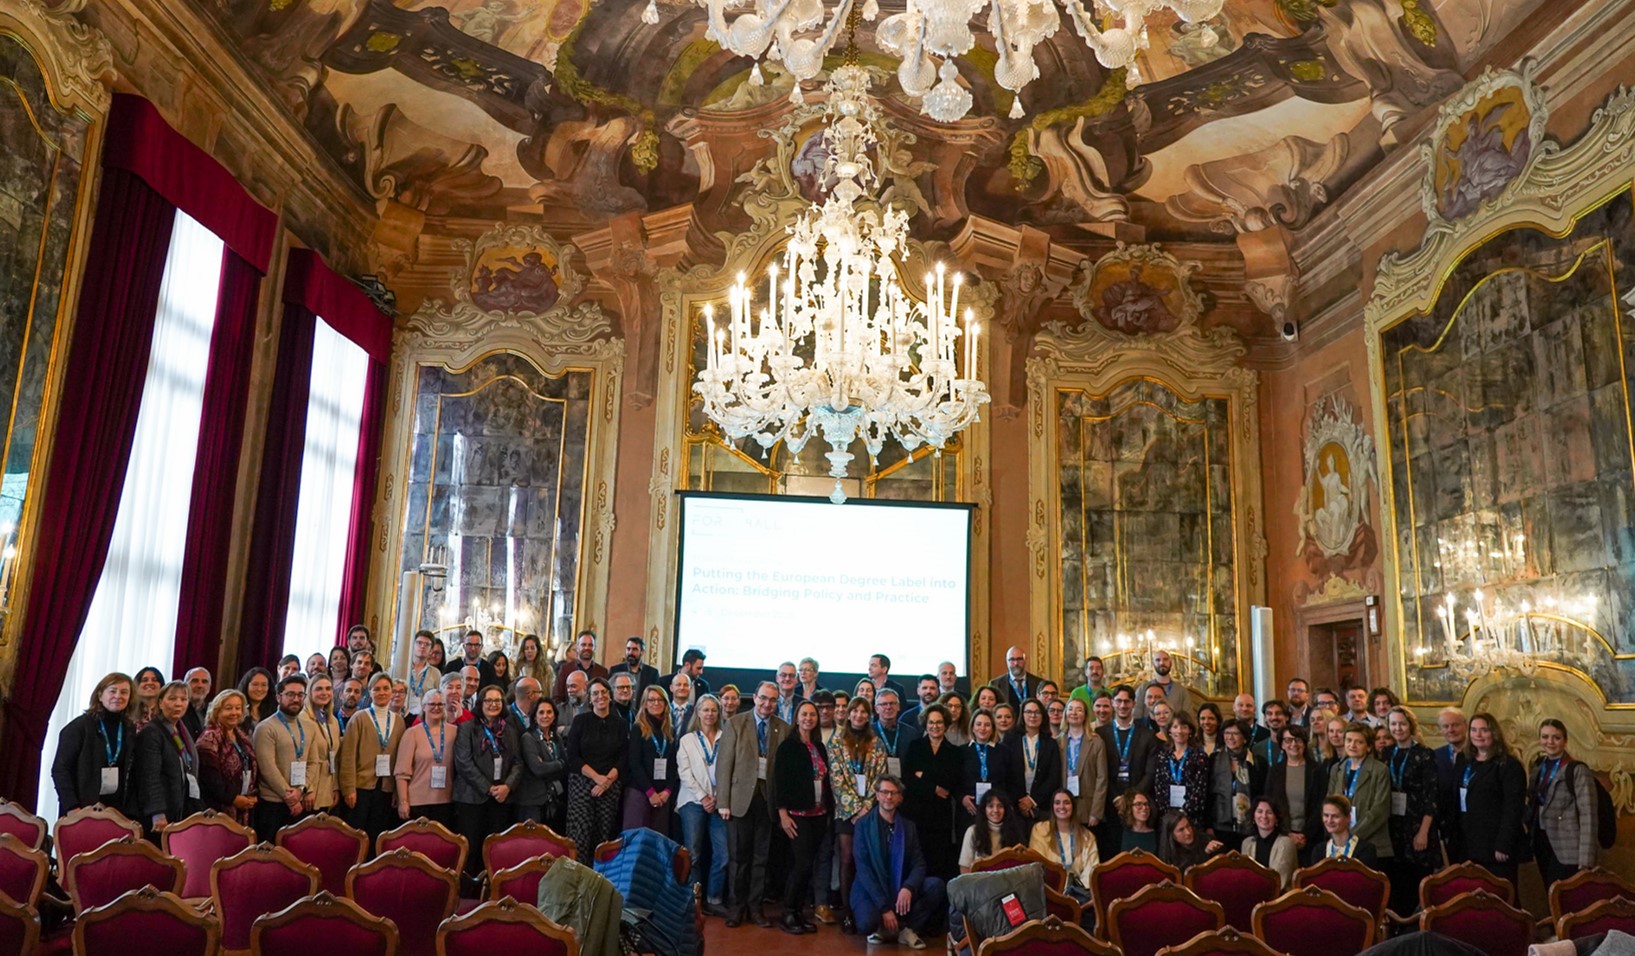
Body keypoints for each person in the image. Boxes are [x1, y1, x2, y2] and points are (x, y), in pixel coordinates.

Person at [718, 681, 788, 928]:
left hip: (767, 800)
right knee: (738, 857)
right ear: (755, 697)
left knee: (761, 858)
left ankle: (755, 908)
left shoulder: (783, 728)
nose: (767, 704)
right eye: (763, 698)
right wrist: (723, 802)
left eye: (772, 700)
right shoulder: (736, 723)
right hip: (738, 801)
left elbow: (783, 772)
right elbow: (724, 764)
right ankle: (736, 908)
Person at [853, 775, 945, 949]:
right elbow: (864, 871)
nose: (889, 797)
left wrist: (908, 887)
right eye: (885, 792)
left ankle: (904, 929)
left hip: (899, 887)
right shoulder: (863, 825)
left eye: (894, 793)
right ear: (877, 795)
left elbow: (919, 864)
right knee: (866, 923)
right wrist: (884, 908)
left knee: (936, 886)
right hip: (872, 889)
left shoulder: (908, 827)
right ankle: (884, 927)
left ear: (900, 798)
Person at [774, 701, 831, 935]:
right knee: (801, 864)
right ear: (796, 718)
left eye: (812, 714)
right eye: (804, 714)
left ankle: (798, 912)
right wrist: (782, 814)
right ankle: (787, 912)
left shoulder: (818, 746)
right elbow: (780, 781)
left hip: (819, 814)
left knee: (809, 866)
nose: (808, 718)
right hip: (797, 815)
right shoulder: (788, 746)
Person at [453, 684, 522, 879]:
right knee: (471, 848)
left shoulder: (509, 729)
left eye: (497, 700)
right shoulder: (467, 728)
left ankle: (490, 890)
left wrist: (507, 786)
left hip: (501, 798)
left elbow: (518, 762)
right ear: (481, 703)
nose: (493, 704)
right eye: (489, 700)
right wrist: (489, 788)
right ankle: (467, 894)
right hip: (472, 798)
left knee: (495, 849)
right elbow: (464, 763)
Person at [833, 696, 889, 934]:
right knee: (847, 859)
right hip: (845, 813)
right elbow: (836, 779)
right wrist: (855, 810)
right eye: (854, 711)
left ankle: (868, 907)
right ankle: (847, 911)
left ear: (869, 715)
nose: (858, 715)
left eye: (863, 711)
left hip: (871, 811)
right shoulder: (837, 743)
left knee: (867, 859)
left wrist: (866, 808)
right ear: (848, 714)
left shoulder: (876, 743)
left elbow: (880, 776)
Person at [1451, 711, 1525, 887]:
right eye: (1474, 730)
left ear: (1494, 733)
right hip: (1467, 842)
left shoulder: (1508, 765)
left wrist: (1503, 843)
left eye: (1484, 730)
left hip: (1495, 845)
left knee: (1500, 896)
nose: (1478, 735)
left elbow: (1513, 808)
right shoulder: (1463, 759)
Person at [53, 672, 137, 814]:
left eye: (124, 692)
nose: (118, 696)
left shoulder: (129, 728)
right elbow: (60, 770)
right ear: (100, 695)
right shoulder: (79, 727)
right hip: (80, 808)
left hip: (118, 811)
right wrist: (72, 806)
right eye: (112, 691)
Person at [1383, 705, 1439, 914]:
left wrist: (1423, 831)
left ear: (1410, 726)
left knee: (1417, 881)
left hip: (1417, 825)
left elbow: (1431, 796)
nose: (1398, 728)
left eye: (1402, 723)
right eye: (1394, 724)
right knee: (1396, 881)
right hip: (1393, 826)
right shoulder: (1386, 753)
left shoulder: (1424, 754)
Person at [1531, 718, 1599, 889]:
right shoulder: (1539, 766)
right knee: (1549, 891)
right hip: (1542, 839)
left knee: (1565, 896)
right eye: (1545, 737)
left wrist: (1586, 860)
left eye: (1556, 737)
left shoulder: (1577, 770)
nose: (1550, 742)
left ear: (1565, 740)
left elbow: (1588, 815)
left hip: (1568, 846)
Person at [565, 677, 627, 862]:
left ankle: (600, 880)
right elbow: (573, 757)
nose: (600, 696)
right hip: (582, 783)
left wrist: (607, 781)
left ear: (610, 695)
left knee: (604, 836)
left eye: (603, 692)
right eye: (595, 693)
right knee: (580, 835)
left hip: (610, 785)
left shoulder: (620, 724)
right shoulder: (580, 721)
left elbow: (623, 757)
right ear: (590, 699)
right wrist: (596, 778)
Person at [677, 694, 729, 916]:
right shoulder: (687, 740)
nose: (709, 714)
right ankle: (694, 898)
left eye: (713, 710)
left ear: (719, 714)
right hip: (692, 801)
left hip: (720, 802)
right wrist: (704, 797)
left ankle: (714, 897)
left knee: (724, 853)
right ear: (697, 712)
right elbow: (684, 772)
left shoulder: (726, 737)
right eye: (705, 710)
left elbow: (729, 770)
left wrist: (717, 796)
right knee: (695, 853)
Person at [130, 681, 201, 836]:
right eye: (172, 699)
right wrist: (157, 812)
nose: (178, 704)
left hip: (181, 806)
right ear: (161, 703)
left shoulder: (181, 729)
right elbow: (149, 776)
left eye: (184, 699)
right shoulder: (152, 732)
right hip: (160, 813)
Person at [1098, 684, 1160, 859]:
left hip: (1139, 805)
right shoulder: (1100, 734)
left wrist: (1131, 799)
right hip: (1109, 804)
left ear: (1133, 704)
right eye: (1118, 701)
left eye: (1127, 701)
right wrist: (1116, 797)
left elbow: (1150, 773)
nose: (1123, 705)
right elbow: (1100, 772)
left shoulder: (1147, 735)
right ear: (1112, 703)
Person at [253, 674, 318, 841]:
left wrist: (301, 790)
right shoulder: (265, 727)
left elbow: (313, 763)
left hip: (300, 800)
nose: (295, 699)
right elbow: (268, 768)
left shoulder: (310, 727)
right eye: (290, 694)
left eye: (300, 695)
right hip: (273, 803)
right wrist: (290, 798)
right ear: (278, 697)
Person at [339, 672, 403, 843]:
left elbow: (400, 759)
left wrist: (397, 790)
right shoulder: (359, 718)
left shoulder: (399, 721)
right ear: (370, 692)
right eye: (377, 689)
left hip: (385, 788)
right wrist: (348, 788)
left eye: (386, 688)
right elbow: (348, 756)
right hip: (361, 787)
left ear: (392, 692)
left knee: (378, 834)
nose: (382, 692)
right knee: (357, 835)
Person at [903, 703, 962, 880]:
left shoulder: (955, 752)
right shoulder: (915, 746)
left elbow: (951, 781)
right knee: (917, 860)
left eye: (939, 722)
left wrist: (923, 775)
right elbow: (908, 778)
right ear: (925, 724)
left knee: (939, 862)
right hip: (917, 814)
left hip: (940, 818)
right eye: (931, 722)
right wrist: (934, 787)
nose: (934, 726)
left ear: (946, 725)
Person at [1330, 722, 1392, 865]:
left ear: (1369, 746)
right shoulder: (1337, 769)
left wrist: (1352, 837)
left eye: (1359, 742)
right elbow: (1330, 802)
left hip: (1371, 841)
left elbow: (1380, 810)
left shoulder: (1379, 770)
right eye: (1349, 740)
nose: (1352, 745)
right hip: (1340, 841)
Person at [195, 689, 258, 826]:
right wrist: (233, 799)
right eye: (228, 708)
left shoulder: (240, 734)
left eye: (238, 708)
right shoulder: (210, 737)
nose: (234, 713)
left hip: (243, 806)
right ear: (217, 711)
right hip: (218, 807)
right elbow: (210, 778)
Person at [394, 687, 456, 827]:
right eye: (432, 704)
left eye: (440, 704)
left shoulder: (455, 732)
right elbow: (401, 773)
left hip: (446, 802)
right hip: (417, 803)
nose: (436, 708)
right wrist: (403, 801)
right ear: (423, 707)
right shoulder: (412, 733)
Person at [1265, 727, 1326, 864]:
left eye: (1298, 740)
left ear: (1304, 743)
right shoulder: (1275, 771)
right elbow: (1270, 804)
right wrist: (1287, 834)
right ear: (1281, 745)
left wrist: (1305, 835)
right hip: (1282, 836)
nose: (1293, 744)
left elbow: (1321, 805)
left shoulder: (1317, 770)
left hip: (1311, 837)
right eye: (1288, 740)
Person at [623, 685, 678, 834]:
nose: (656, 703)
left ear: (666, 703)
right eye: (651, 700)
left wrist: (667, 791)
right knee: (636, 838)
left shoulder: (670, 730)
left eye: (660, 700)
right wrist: (650, 792)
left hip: (663, 794)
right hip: (641, 791)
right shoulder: (638, 728)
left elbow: (673, 764)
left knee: (657, 840)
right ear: (645, 704)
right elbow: (634, 763)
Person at [1029, 789, 1100, 902]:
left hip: (1079, 895)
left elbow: (1091, 870)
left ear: (1073, 806)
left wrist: (1077, 894)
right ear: (1052, 807)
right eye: (1057, 803)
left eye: (1066, 803)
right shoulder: (1040, 830)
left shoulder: (1087, 836)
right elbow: (1036, 865)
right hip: (1048, 892)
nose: (1062, 807)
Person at [1209, 718, 1264, 851]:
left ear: (1245, 738)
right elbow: (1208, 795)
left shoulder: (1257, 762)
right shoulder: (1214, 759)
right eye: (1227, 733)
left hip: (1248, 827)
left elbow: (1261, 794)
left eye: (1235, 733)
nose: (1230, 737)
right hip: (1220, 826)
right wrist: (1208, 825)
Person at [1004, 698, 1060, 823]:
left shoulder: (1050, 743)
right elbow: (1005, 773)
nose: (1032, 716)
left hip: (1041, 806)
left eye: (1037, 712)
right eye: (1028, 712)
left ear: (1043, 716)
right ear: (1022, 715)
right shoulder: (1010, 739)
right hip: (1015, 805)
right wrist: (1021, 802)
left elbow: (1054, 777)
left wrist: (1032, 800)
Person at [1153, 711, 1211, 829]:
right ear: (1169, 731)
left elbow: (1200, 789)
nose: (1179, 731)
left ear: (1190, 731)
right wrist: (1168, 813)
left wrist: (1184, 812)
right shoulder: (1163, 756)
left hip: (1192, 817)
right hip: (1167, 816)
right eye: (1175, 727)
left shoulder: (1199, 756)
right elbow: (1159, 786)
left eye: (1184, 727)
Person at [516, 697, 566, 829]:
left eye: (549, 712)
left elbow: (567, 765)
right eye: (541, 712)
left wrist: (550, 765)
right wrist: (558, 764)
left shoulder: (557, 738)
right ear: (534, 716)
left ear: (554, 716)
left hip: (553, 797)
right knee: (533, 843)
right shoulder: (528, 738)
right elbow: (537, 769)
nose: (545, 716)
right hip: (532, 800)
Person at [1058, 698, 1107, 831]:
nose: (1074, 713)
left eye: (1079, 710)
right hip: (1062, 806)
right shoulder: (1057, 742)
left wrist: (1096, 812)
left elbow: (1102, 779)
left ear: (1085, 715)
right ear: (1065, 714)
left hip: (1088, 806)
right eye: (1070, 709)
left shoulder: (1096, 742)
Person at [303, 674, 343, 815]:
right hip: (310, 787)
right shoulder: (303, 718)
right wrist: (309, 789)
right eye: (319, 689)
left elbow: (335, 757)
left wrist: (335, 787)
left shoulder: (333, 720)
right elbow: (304, 758)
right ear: (310, 692)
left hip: (328, 784)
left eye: (328, 688)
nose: (324, 693)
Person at [959, 789, 1025, 871]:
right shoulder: (973, 831)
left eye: (1000, 806)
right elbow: (965, 867)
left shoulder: (1015, 830)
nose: (996, 810)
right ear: (984, 809)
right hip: (979, 882)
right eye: (991, 806)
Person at [1242, 796, 1299, 887]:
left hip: (1280, 897)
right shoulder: (1247, 843)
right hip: (1252, 894)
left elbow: (1278, 881)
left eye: (1269, 812)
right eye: (1260, 811)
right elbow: (1245, 877)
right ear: (1253, 816)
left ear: (1276, 819)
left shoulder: (1286, 843)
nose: (1264, 816)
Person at [1136, 651, 1196, 720]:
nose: (1162, 663)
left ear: (1171, 663)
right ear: (1153, 664)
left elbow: (1189, 718)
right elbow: (1136, 716)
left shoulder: (1182, 691)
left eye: (1165, 659)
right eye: (1158, 660)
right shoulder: (1143, 688)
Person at [874, 688, 921, 776]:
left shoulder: (911, 733)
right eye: (884, 704)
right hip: (877, 784)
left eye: (892, 703)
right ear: (876, 709)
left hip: (905, 784)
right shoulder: (868, 732)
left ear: (898, 706)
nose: (888, 707)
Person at [1319, 795, 1378, 865]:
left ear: (1348, 818)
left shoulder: (1366, 850)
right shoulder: (1319, 850)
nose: (1329, 821)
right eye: (1326, 815)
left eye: (1335, 816)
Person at [405, 630, 441, 717]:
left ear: (431, 650)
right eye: (419, 643)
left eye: (427, 644)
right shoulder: (403, 667)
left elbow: (438, 697)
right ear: (413, 645)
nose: (422, 646)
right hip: (402, 713)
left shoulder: (435, 673)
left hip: (423, 717)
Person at [238, 667, 275, 733]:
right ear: (246, 685)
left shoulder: (274, 712)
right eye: (255, 684)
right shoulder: (236, 710)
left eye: (264, 685)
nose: (259, 689)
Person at [132, 666, 165, 731]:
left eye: (155, 680)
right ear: (136, 685)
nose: (150, 683)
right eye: (144, 680)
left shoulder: (167, 711)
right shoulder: (128, 711)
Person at [182, 668, 212, 739]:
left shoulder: (213, 711)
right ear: (185, 685)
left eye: (204, 682)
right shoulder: (178, 710)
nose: (200, 685)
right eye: (195, 681)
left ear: (209, 688)